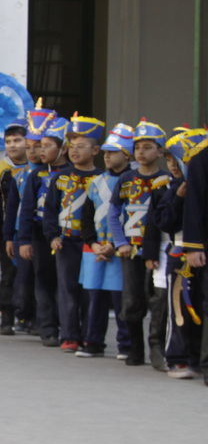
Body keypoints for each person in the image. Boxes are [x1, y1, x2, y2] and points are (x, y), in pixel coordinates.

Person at [108, 119, 169, 368]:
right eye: (137, 148)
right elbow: (113, 213)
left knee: (158, 300)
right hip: (131, 249)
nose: (141, 153)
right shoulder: (126, 179)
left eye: (147, 147)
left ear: (160, 151)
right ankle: (135, 349)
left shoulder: (166, 180)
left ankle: (157, 348)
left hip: (158, 250)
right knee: (132, 301)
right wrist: (120, 241)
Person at [43, 114, 104, 354]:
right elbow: (50, 210)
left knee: (90, 291)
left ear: (95, 150)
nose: (74, 151)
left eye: (81, 147)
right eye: (72, 147)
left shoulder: (101, 179)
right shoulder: (59, 178)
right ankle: (69, 335)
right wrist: (52, 235)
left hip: (92, 243)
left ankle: (90, 335)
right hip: (66, 241)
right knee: (67, 289)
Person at [151, 129, 203, 380]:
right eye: (169, 160)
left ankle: (196, 356)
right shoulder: (168, 187)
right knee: (178, 308)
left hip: (200, 250)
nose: (172, 165)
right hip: (179, 251)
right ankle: (177, 357)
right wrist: (178, 199)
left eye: (177, 159)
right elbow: (163, 222)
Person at [77, 124, 131, 358]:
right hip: (96, 248)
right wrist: (93, 243)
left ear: (126, 155)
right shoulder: (96, 182)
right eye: (106, 152)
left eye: (113, 152)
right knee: (94, 298)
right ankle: (93, 341)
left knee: (122, 301)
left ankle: (126, 345)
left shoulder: (134, 181)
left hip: (121, 248)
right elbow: (86, 217)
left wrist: (116, 244)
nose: (107, 157)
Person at [17, 109, 67, 346]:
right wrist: (24, 239)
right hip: (40, 233)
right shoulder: (36, 176)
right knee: (43, 280)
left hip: (67, 233)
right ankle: (47, 327)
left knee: (66, 282)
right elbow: (26, 210)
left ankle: (68, 327)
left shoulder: (72, 175)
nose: (40, 151)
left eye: (46, 145)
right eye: (38, 146)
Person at [0, 119, 30, 335]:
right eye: (8, 141)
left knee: (29, 275)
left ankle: (27, 316)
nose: (12, 145)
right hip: (5, 232)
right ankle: (6, 318)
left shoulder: (34, 169)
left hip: (28, 232)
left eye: (18, 140)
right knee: (9, 274)